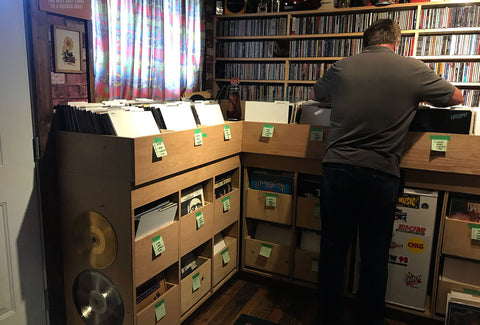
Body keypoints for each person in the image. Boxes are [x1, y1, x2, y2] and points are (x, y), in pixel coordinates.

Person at [309, 19, 464, 325]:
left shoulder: (341, 66)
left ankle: (328, 317)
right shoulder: (413, 69)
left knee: (333, 249)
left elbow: (316, 94)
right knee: (375, 254)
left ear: (365, 42)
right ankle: (369, 318)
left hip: (336, 168)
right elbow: (457, 98)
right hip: (380, 172)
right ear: (396, 42)